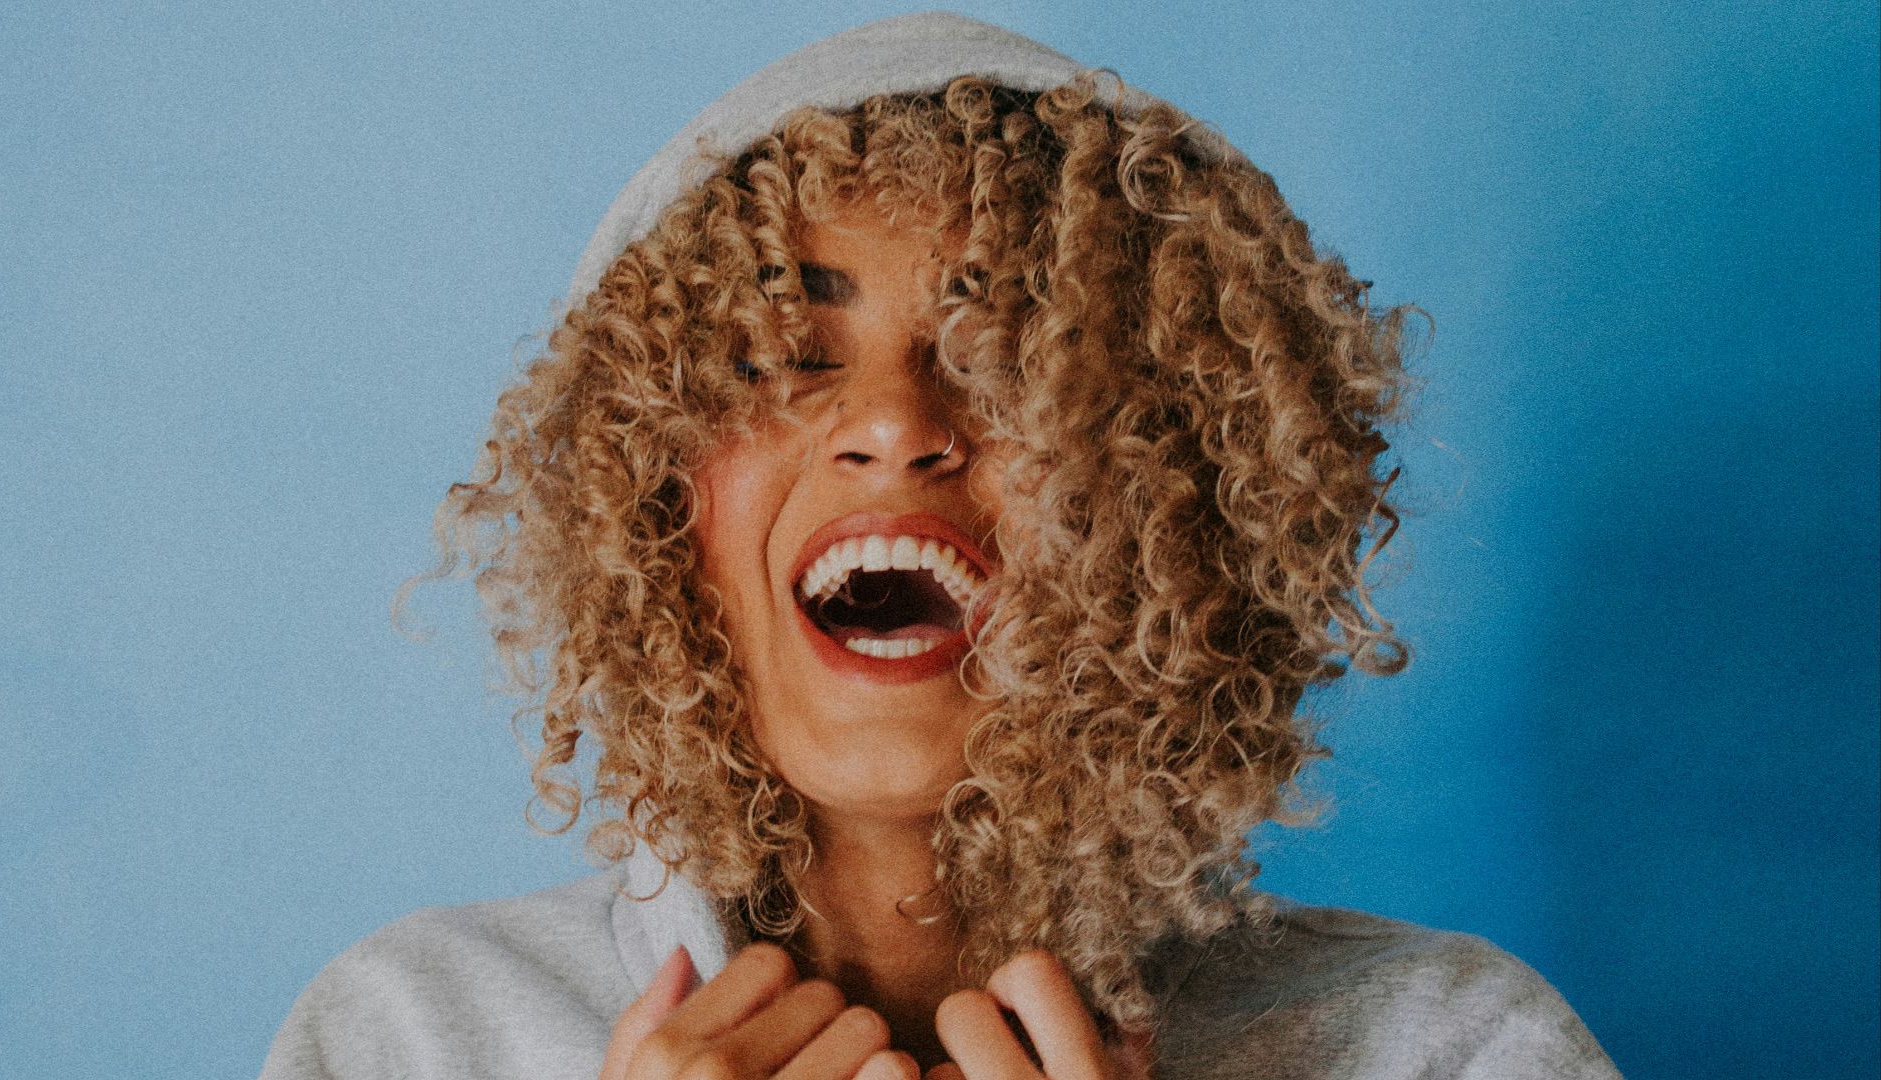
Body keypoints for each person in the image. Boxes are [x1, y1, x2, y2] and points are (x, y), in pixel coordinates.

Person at [261, 13, 1621, 1080]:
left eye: (1010, 357)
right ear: (646, 501)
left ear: (1184, 498)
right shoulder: (409, 1039)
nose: (895, 428)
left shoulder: (1448, 1051)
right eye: (783, 356)